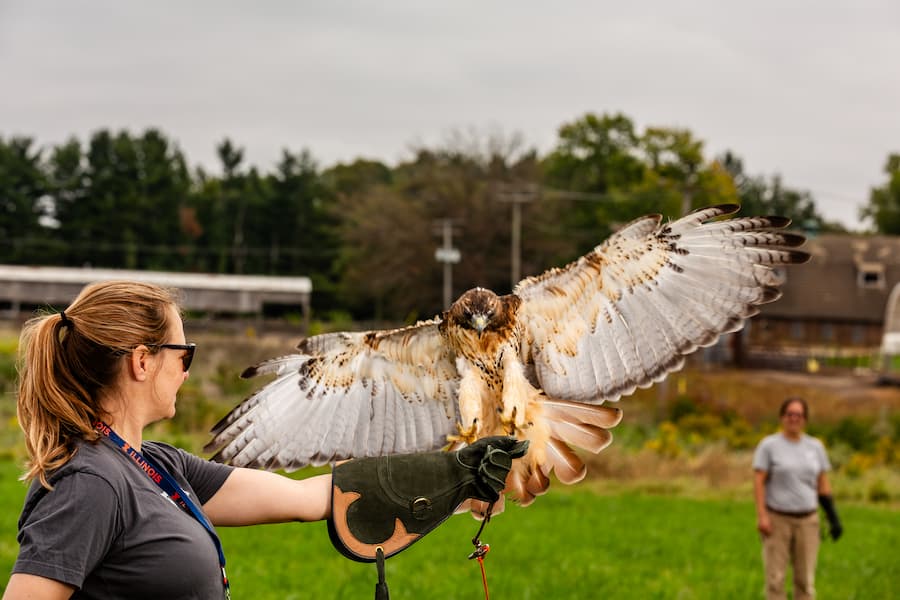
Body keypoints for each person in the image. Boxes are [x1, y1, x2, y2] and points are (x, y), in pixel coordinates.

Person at [4, 280, 526, 599]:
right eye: (184, 355)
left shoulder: (156, 467)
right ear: (142, 361)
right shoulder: (89, 482)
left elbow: (306, 498)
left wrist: (456, 473)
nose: (187, 371)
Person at [752, 396, 842, 600]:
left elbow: (823, 484)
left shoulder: (815, 447)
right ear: (782, 417)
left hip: (808, 522)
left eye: (799, 415)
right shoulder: (769, 445)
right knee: (775, 579)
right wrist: (762, 516)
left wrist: (833, 517)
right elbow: (759, 482)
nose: (794, 419)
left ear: (805, 419)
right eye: (790, 414)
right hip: (778, 520)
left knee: (805, 581)